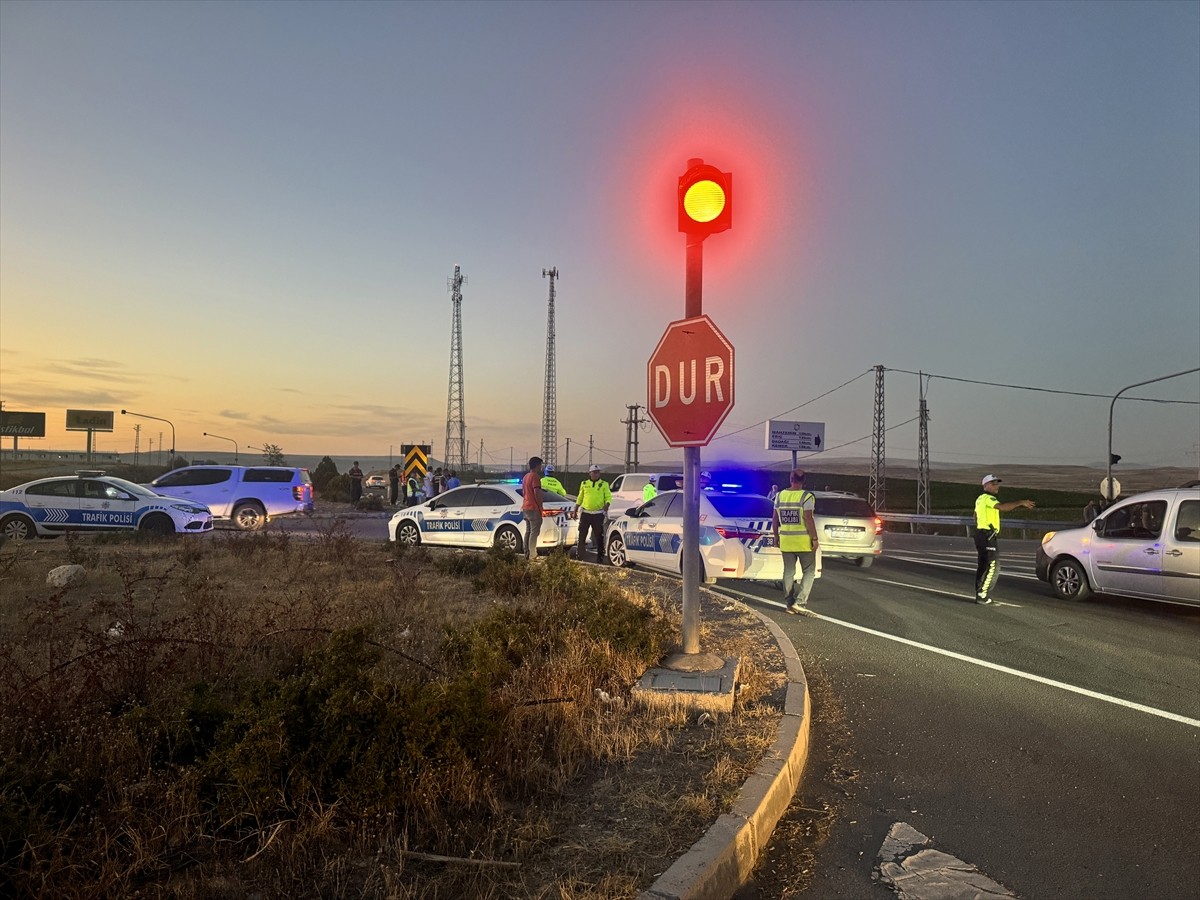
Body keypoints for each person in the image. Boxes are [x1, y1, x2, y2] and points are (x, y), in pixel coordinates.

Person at [973, 474, 1036, 605]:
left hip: (981, 534)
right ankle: (982, 595)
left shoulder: (979, 499)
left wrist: (980, 526)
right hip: (987, 535)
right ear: (985, 486)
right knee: (993, 565)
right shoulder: (988, 498)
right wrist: (1020, 502)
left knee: (983, 565)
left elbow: (975, 515)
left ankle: (980, 592)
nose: (997, 486)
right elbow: (1002, 507)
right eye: (993, 484)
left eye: (997, 483)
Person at [772, 469, 819, 614]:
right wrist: (815, 539)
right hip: (803, 542)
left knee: (788, 572)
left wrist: (776, 536)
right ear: (803, 480)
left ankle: (789, 603)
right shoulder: (806, 496)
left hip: (786, 541)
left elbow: (775, 518)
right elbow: (808, 518)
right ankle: (800, 602)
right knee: (809, 572)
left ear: (790, 478)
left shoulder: (780, 496)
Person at [574, 464, 612, 564]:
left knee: (599, 536)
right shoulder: (584, 483)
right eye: (594, 472)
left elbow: (608, 496)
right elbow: (580, 497)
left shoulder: (604, 484)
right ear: (590, 473)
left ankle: (600, 557)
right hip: (586, 513)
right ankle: (580, 556)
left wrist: (607, 504)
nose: (596, 474)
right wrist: (576, 508)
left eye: (598, 472)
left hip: (598, 514)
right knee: (582, 535)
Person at [521, 457, 545, 561]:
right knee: (534, 533)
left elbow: (523, 492)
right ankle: (532, 554)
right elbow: (537, 492)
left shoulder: (526, 477)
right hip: (533, 507)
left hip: (525, 507)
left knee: (528, 531)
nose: (541, 467)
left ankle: (526, 552)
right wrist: (540, 505)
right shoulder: (535, 477)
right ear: (537, 465)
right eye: (540, 465)